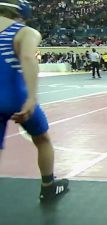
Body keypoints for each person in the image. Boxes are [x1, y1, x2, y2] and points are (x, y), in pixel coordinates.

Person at [0, 0, 69, 201]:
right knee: (42, 139)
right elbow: (28, 59)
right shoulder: (25, 32)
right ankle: (48, 186)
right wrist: (31, 98)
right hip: (15, 98)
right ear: (21, 13)